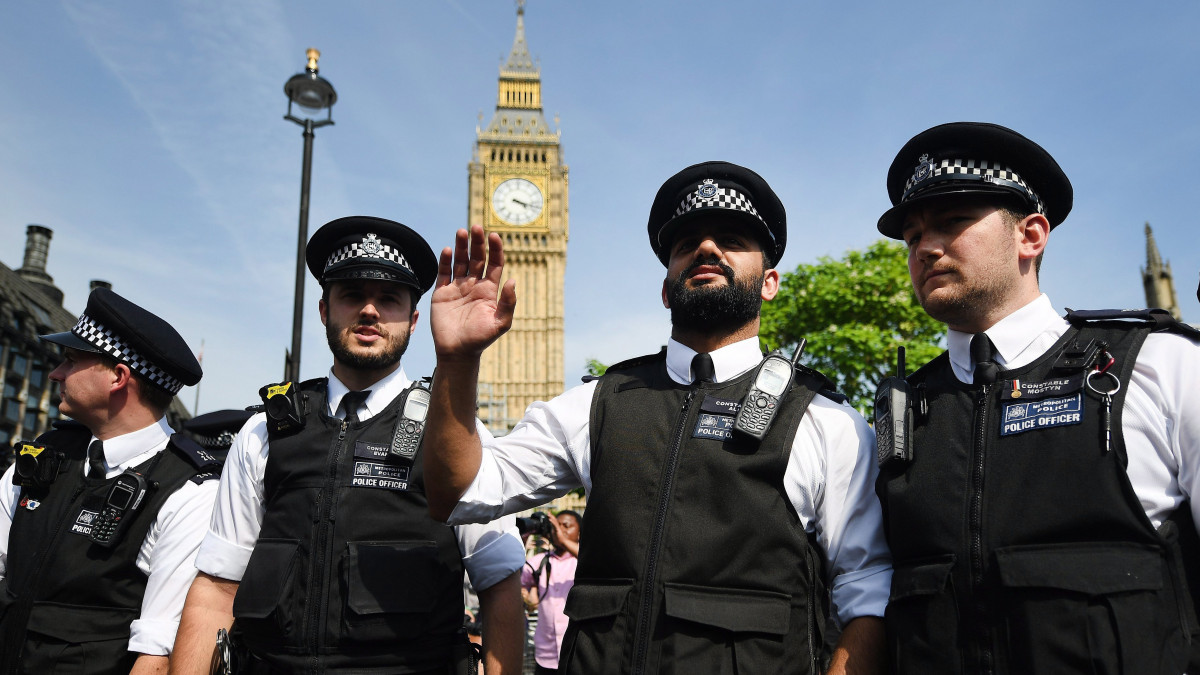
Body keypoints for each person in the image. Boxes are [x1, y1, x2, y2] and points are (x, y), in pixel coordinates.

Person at [423, 161, 891, 675]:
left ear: (770, 283)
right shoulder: (599, 403)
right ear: (667, 288)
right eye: (686, 244)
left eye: (732, 239)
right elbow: (458, 493)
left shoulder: (825, 421)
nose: (707, 249)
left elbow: (868, 592)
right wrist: (458, 361)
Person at [873, 121, 1200, 674]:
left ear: (1031, 236)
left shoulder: (1158, 366)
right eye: (911, 237)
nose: (925, 248)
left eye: (952, 222)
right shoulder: (897, 414)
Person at [171, 216, 526, 674]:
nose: (370, 311)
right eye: (352, 295)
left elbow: (499, 586)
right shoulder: (265, 432)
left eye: (389, 299)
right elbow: (216, 588)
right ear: (324, 310)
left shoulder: (456, 435)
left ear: (415, 319)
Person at [0, 287, 215, 674]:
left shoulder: (189, 491)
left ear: (118, 376)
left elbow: (157, 653)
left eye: (69, 360)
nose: (55, 372)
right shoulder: (44, 456)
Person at [520, 510, 580, 675]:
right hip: (545, 655)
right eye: (555, 526)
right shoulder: (540, 562)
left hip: (576, 653)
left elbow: (597, 564)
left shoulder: (582, 561)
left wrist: (564, 541)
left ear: (580, 533)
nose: (558, 530)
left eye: (565, 526)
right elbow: (515, 579)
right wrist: (521, 543)